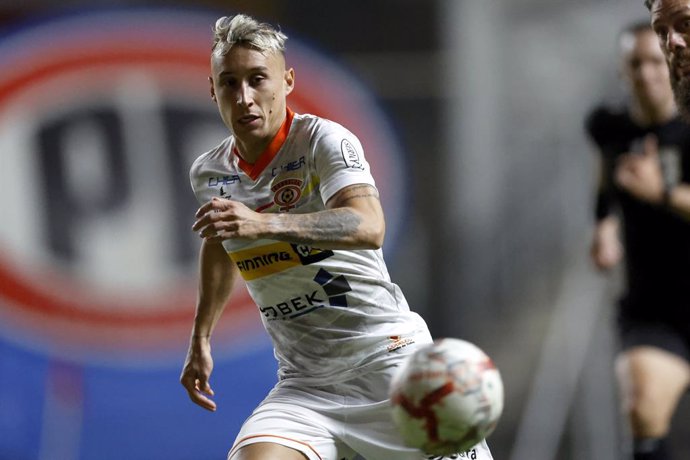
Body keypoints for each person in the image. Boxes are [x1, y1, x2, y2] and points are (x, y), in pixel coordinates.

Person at [178, 14, 494, 460]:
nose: (245, 97)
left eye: (257, 79)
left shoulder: (322, 140)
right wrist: (201, 336)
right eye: (229, 83)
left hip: (389, 364)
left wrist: (264, 223)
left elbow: (369, 226)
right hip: (305, 385)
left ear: (286, 81)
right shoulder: (209, 172)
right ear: (213, 91)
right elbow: (221, 241)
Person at [586, 18, 690, 460]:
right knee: (642, 407)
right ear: (622, 69)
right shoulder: (607, 126)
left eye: (654, 61)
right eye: (636, 63)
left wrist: (662, 193)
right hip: (654, 308)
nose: (647, 72)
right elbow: (606, 186)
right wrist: (604, 228)